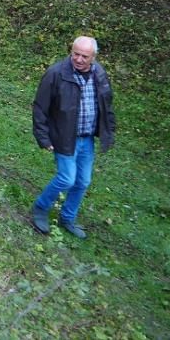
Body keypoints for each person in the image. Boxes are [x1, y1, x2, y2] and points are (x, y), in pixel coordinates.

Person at [31, 36, 116, 239]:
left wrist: (109, 130)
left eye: (84, 56)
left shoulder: (100, 75)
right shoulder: (56, 74)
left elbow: (107, 105)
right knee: (66, 178)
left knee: (83, 181)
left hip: (86, 139)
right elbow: (40, 108)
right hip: (63, 137)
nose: (78, 59)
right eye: (75, 54)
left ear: (93, 57)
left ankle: (67, 217)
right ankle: (40, 208)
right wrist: (43, 137)